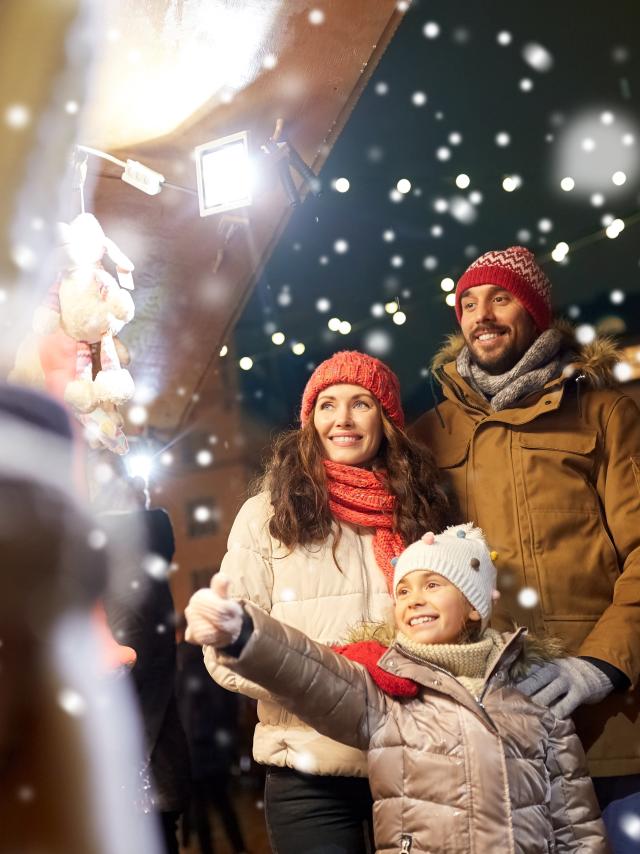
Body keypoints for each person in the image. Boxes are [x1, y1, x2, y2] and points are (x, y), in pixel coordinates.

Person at [185, 523, 609, 853]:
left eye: (433, 585)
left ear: (475, 608)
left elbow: (576, 824)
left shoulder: (534, 696)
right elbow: (310, 672)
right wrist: (243, 633)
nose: (413, 599)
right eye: (402, 590)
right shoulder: (389, 694)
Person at [408, 246, 640, 847]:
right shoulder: (428, 435)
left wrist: (603, 664)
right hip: (496, 729)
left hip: (611, 725)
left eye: (500, 298)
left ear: (536, 311)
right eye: (467, 303)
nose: (481, 314)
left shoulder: (602, 412)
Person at [201, 350, 451, 853]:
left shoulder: (420, 511)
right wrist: (327, 682)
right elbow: (225, 654)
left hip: (411, 764)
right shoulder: (266, 514)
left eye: (361, 404)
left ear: (387, 420)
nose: (342, 420)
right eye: (327, 405)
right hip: (306, 771)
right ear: (309, 420)